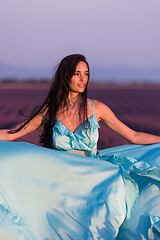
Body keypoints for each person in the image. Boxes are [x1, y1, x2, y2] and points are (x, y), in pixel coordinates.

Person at [0, 54, 160, 240]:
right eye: (77, 74)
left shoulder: (97, 108)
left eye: (86, 73)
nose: (83, 78)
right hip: (62, 178)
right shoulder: (50, 109)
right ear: (65, 76)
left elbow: (133, 135)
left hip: (93, 177)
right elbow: (14, 133)